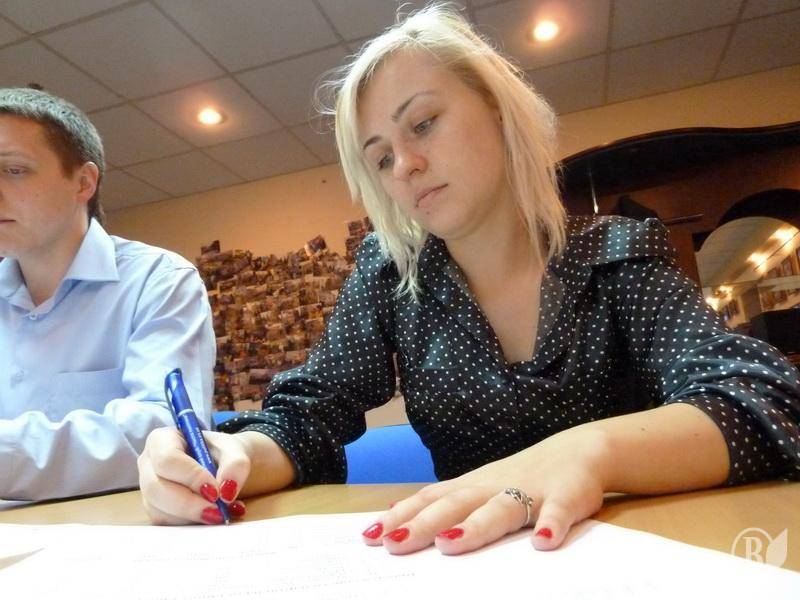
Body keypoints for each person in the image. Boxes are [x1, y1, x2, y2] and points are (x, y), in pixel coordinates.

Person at [138, 4, 800, 553]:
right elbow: (308, 415)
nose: (405, 165)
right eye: (381, 158)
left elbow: (763, 399)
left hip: (633, 551)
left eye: (423, 124)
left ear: (497, 109)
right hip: (465, 564)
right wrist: (234, 457)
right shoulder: (392, 277)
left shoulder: (617, 255)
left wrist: (589, 453)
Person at [0, 87, 215, 500]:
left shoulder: (159, 279)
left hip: (120, 530)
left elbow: (164, 433)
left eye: (14, 170)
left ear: (83, 182)